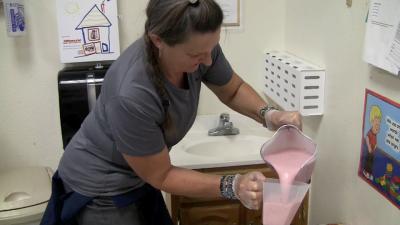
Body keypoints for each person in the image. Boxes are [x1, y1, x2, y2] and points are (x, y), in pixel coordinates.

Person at [41, 0, 302, 224]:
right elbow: (162, 174)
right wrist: (233, 186)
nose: (208, 61)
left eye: (212, 48)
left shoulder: (201, 47)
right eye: (197, 54)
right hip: (102, 187)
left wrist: (270, 115)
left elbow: (232, 90)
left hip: (143, 174)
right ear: (158, 40)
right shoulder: (132, 93)